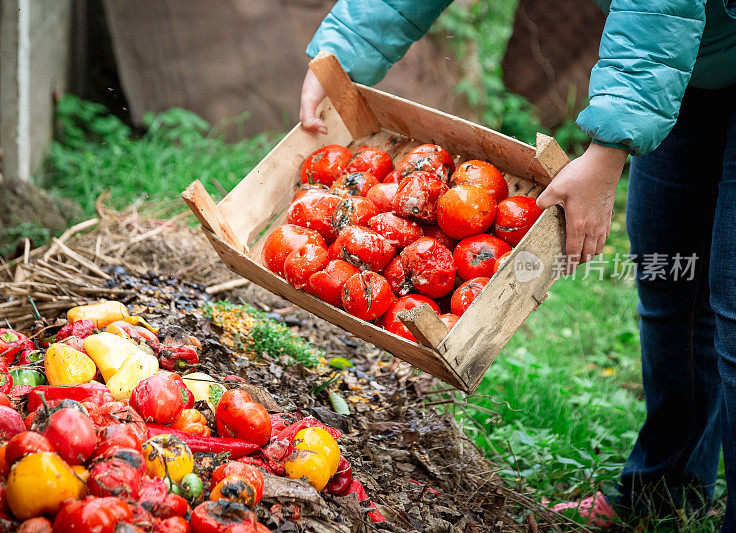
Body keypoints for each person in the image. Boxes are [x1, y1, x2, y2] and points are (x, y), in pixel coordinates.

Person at [298, 0, 736, 528]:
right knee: (674, 280)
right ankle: (664, 490)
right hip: (681, 66)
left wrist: (608, 148)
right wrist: (343, 51)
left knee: (733, 304)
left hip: (671, 39)